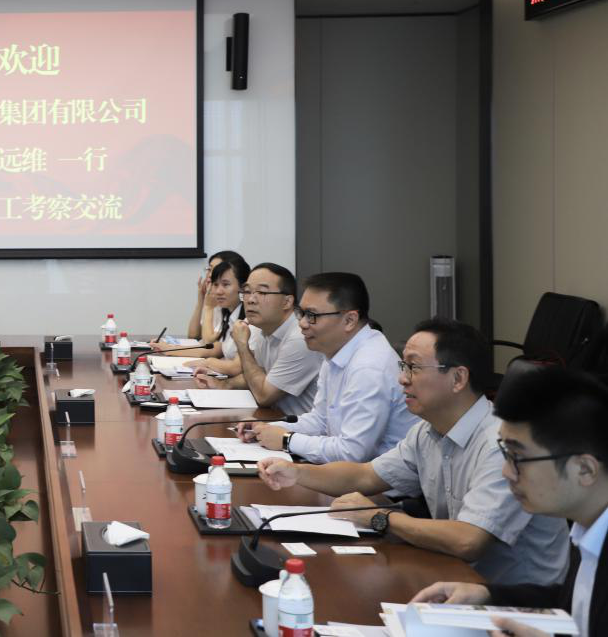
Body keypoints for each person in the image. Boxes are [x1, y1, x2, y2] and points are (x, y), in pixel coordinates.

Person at [258, 319, 569, 586]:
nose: (402, 379)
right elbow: (365, 475)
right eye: (403, 366)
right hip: (455, 578)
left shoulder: (498, 445)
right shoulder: (427, 431)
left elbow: (468, 540)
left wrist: (380, 518)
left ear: (458, 378)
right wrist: (296, 472)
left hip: (516, 602)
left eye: (414, 367)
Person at [411, 366, 608, 637]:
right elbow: (575, 604)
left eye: (518, 457)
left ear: (584, 469)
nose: (507, 472)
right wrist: (487, 595)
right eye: (505, 453)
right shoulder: (589, 528)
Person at [239, 272, 417, 462]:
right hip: (347, 471)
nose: (302, 323)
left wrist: (286, 439)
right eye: (301, 313)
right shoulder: (336, 349)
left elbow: (353, 452)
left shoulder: (369, 367)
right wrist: (267, 428)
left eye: (312, 315)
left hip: (378, 479)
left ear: (349, 320)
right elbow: (321, 420)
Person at [191, 263, 323, 416]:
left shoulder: (300, 339)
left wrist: (242, 345)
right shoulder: (262, 327)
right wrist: (223, 384)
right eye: (247, 291)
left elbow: (264, 396)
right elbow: (256, 375)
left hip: (297, 425)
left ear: (287, 302)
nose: (251, 300)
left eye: (262, 292)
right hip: (273, 418)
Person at [154, 254, 252, 362]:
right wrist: (169, 349)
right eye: (216, 284)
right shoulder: (230, 314)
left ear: (243, 287)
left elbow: (210, 345)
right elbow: (212, 347)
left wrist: (208, 307)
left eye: (225, 284)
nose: (218, 291)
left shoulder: (248, 319)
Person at [185, 250, 241, 344]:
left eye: (216, 269)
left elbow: (209, 344)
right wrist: (201, 300)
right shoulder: (213, 299)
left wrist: (208, 307)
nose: (210, 275)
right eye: (209, 269)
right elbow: (193, 335)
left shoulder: (226, 304)